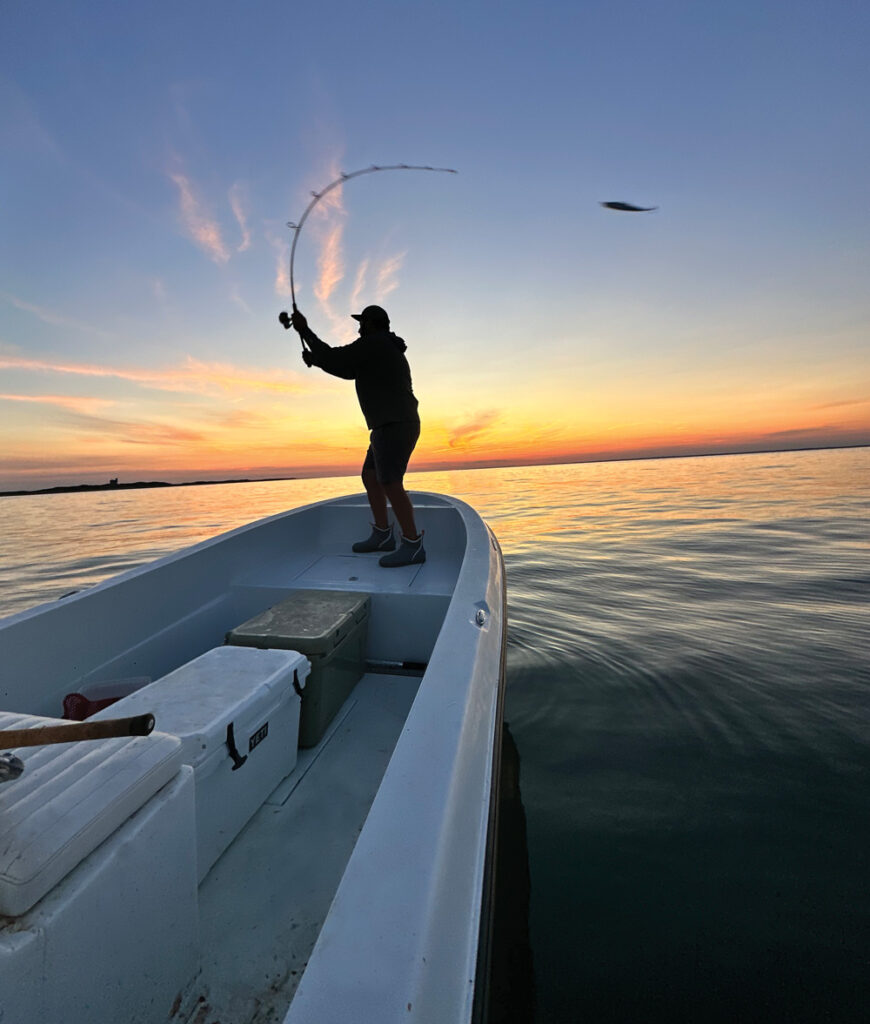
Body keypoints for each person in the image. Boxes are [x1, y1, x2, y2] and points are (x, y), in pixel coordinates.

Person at [286, 304, 425, 567]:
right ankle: (383, 535)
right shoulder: (379, 348)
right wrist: (317, 360)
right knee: (370, 476)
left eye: (362, 323)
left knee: (391, 482)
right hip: (387, 424)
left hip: (394, 423)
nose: (359, 328)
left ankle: (413, 544)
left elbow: (337, 357)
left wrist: (305, 331)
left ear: (372, 323)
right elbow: (347, 369)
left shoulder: (376, 343)